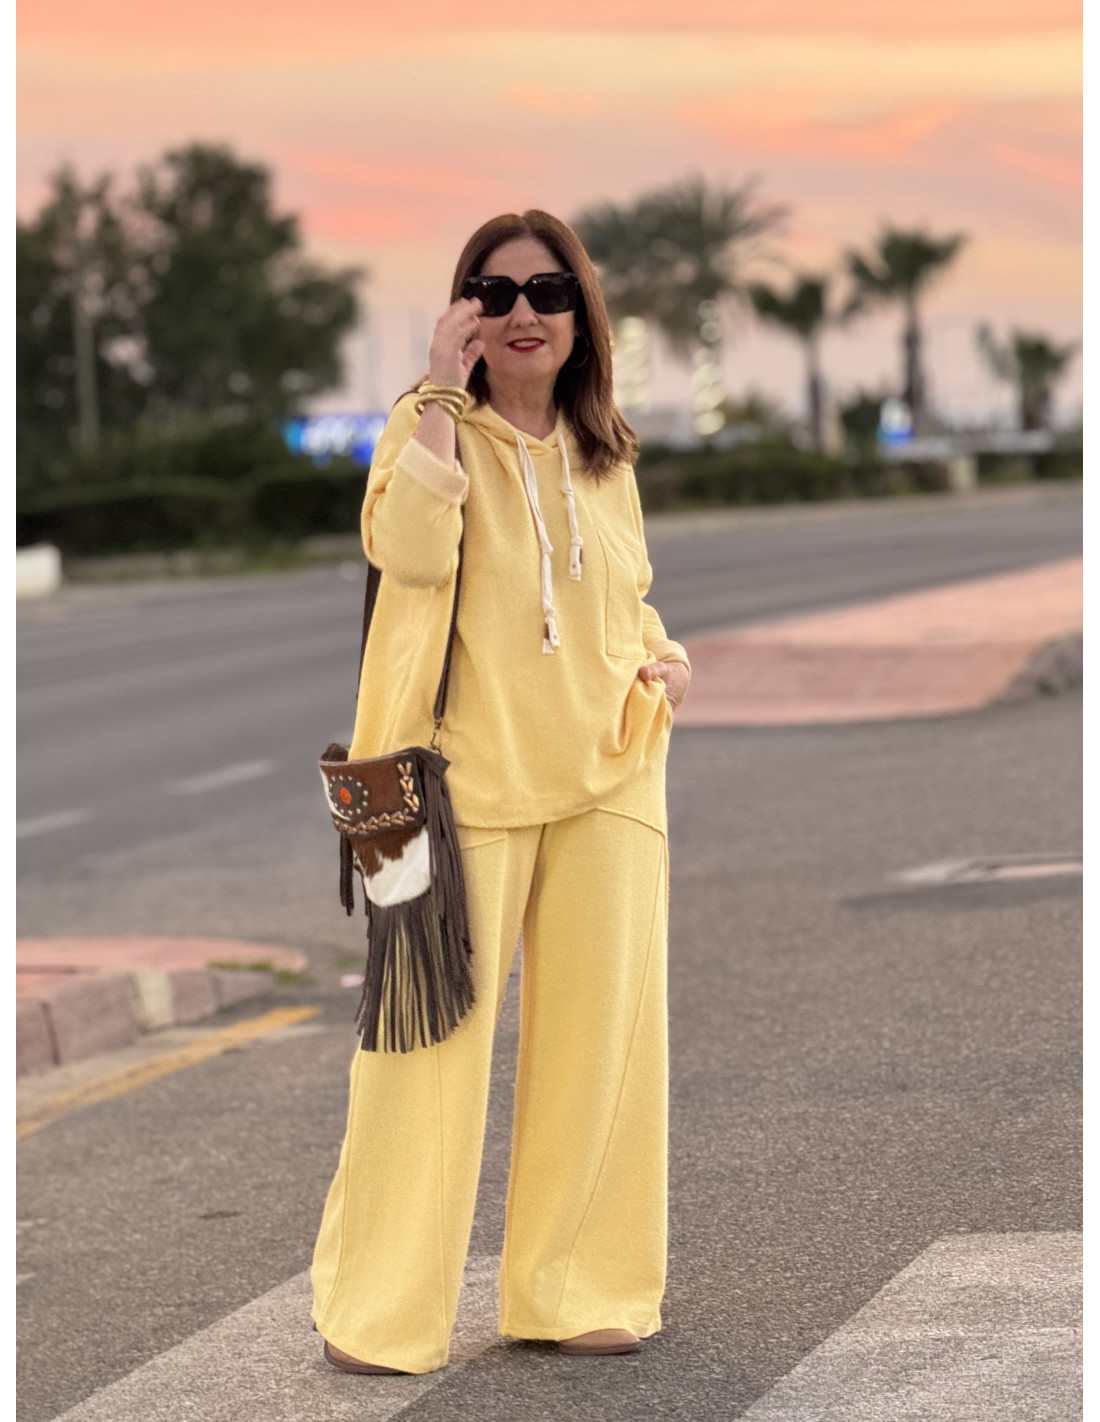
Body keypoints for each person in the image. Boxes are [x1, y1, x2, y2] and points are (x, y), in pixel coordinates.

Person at [311, 209, 691, 1376]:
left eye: (548, 291)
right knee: (417, 1056)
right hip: (436, 794)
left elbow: (622, 595)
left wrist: (663, 657)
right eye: (494, 291)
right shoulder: (427, 429)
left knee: (600, 1046)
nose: (523, 312)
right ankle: (378, 1310)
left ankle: (575, 1286)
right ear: (464, 311)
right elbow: (410, 553)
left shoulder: (603, 451)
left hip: (608, 774)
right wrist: (437, 390)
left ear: (582, 316)